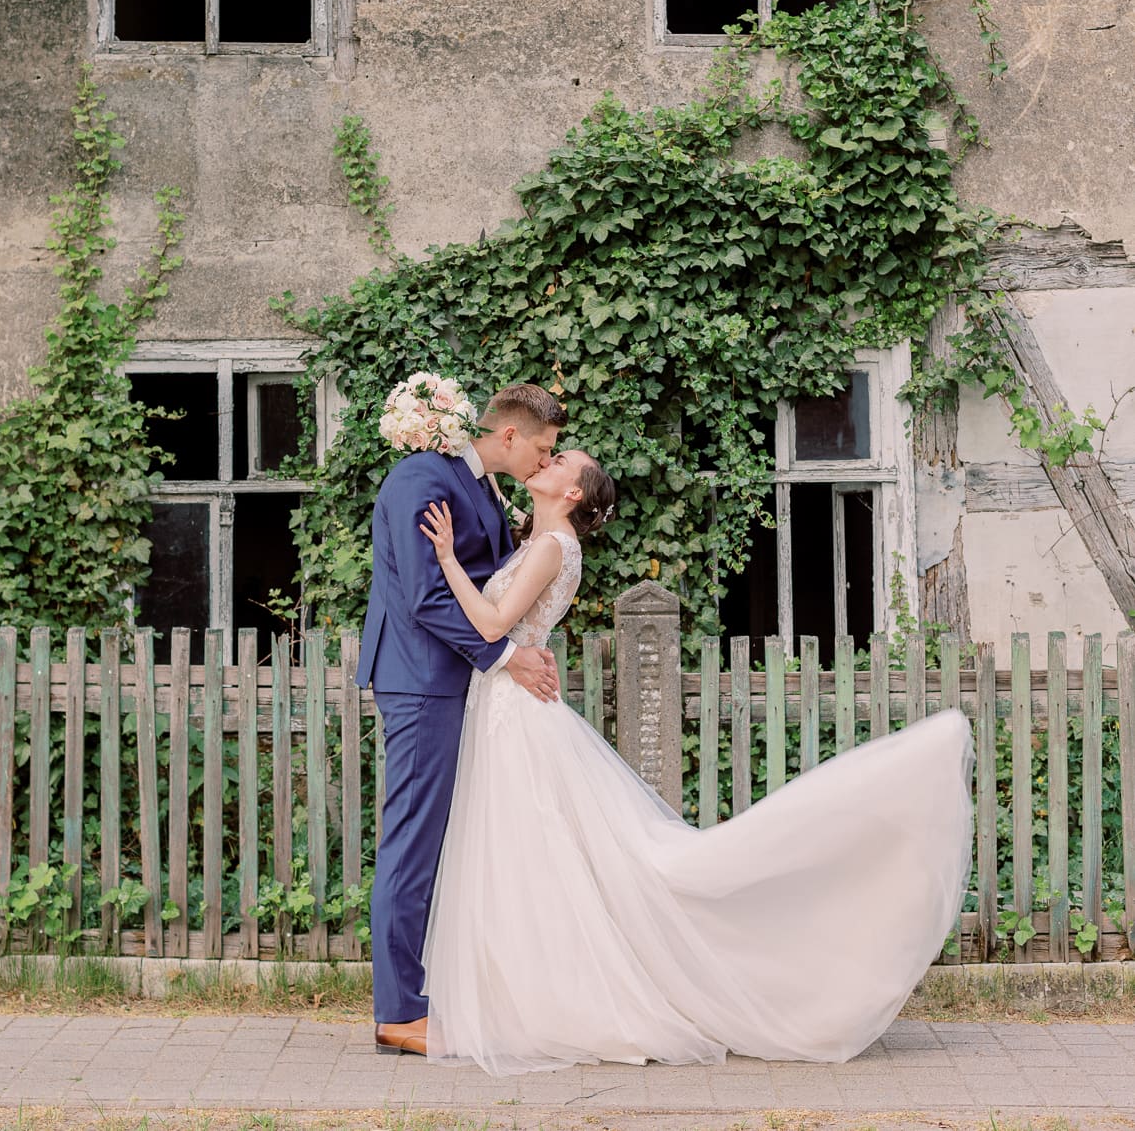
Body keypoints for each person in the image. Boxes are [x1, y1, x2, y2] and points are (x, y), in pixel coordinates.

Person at [417, 449, 974, 1076]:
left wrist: (443, 561)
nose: (547, 460)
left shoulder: (552, 545)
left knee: (539, 855)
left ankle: (556, 1002)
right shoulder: (544, 538)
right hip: (510, 705)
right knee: (536, 857)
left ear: (573, 492)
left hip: (515, 712)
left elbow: (492, 620)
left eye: (560, 460)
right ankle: (529, 997)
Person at [355, 382, 568, 1057]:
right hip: (420, 680)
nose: (544, 459)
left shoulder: (477, 485)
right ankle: (398, 1011)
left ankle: (423, 995)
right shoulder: (423, 476)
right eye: (543, 446)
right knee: (412, 840)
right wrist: (506, 654)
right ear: (509, 435)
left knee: (434, 839)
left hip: (452, 683)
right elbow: (423, 596)